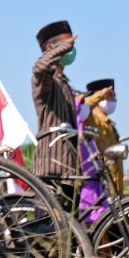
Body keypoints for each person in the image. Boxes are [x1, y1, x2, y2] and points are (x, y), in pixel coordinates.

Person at [31, 20, 80, 206]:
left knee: (72, 234)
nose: (71, 50)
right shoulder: (45, 84)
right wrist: (60, 49)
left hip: (69, 174)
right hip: (50, 173)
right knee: (49, 232)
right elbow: (39, 68)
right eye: (68, 45)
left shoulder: (65, 84)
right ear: (51, 48)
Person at [83, 78, 123, 194]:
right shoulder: (90, 116)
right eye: (111, 95)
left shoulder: (109, 123)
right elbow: (82, 105)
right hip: (101, 181)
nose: (115, 100)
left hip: (115, 181)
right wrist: (100, 95)